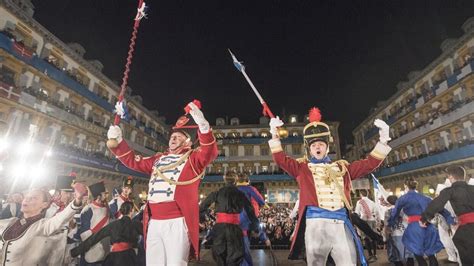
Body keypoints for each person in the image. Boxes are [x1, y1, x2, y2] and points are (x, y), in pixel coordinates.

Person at [268, 107, 392, 265]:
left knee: (349, 263)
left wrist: (383, 141)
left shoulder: (342, 168)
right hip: (315, 225)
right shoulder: (302, 168)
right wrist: (274, 134)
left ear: (327, 147)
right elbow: (280, 159)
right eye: (314, 146)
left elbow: (369, 164)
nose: (317, 147)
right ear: (309, 150)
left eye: (320, 144)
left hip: (340, 225)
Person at [107, 101, 218, 265]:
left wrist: (203, 127)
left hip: (177, 223)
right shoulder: (157, 159)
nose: (173, 138)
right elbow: (133, 161)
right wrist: (119, 141)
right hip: (154, 222)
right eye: (173, 136)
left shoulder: (193, 159)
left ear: (188, 142)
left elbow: (209, 151)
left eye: (179, 137)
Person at [0, 183, 87, 265]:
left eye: (33, 198)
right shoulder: (10, 221)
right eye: (26, 197)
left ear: (44, 205)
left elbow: (61, 218)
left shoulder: (43, 226)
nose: (26, 199)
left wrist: (77, 200)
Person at [389, 177, 453, 266]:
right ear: (416, 186)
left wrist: (391, 223)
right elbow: (441, 209)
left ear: (405, 186)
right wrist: (450, 220)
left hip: (414, 228)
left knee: (418, 255)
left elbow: (394, 213)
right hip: (429, 226)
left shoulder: (403, 198)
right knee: (431, 255)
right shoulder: (426, 197)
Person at [199, 172, 259, 266]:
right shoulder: (241, 194)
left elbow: (202, 207)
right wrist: (255, 228)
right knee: (235, 256)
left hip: (219, 229)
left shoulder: (217, 193)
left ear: (224, 180)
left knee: (220, 256)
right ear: (236, 181)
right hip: (234, 229)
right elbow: (251, 212)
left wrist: (202, 220)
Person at [421, 165, 474, 265]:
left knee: (467, 260)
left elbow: (436, 204)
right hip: (467, 228)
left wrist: (424, 218)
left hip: (466, 230)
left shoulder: (449, 191)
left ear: (450, 177)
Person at [71, 201, 143, 266]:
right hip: (129, 257)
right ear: (132, 210)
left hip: (114, 257)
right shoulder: (136, 224)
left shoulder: (114, 224)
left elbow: (95, 238)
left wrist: (76, 251)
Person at [236, 172, 270, 266]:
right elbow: (258, 197)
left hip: (235, 221)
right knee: (245, 249)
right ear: (247, 180)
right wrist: (264, 204)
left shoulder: (233, 189)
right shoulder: (250, 188)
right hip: (247, 219)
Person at [77, 181, 111, 265]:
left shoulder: (107, 209)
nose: (106, 195)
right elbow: (83, 233)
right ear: (98, 196)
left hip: (106, 251)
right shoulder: (88, 209)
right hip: (92, 252)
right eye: (104, 193)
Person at [384, 195, 414, 266]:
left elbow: (387, 226)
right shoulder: (405, 209)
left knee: (397, 256)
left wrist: (386, 237)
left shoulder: (388, 212)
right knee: (409, 255)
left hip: (395, 234)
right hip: (407, 233)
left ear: (389, 203)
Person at [434, 181, 459, 264]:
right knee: (451, 238)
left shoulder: (442, 196)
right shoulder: (455, 194)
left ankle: (454, 257)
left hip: (448, 219)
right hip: (453, 218)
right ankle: (454, 257)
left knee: (448, 238)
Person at [355, 189, 378, 262]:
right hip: (372, 220)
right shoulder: (372, 202)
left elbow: (357, 213)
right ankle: (375, 254)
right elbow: (376, 213)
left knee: (366, 238)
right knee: (373, 237)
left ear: (361, 195)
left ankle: (370, 255)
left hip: (364, 221)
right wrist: (378, 222)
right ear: (367, 194)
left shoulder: (359, 202)